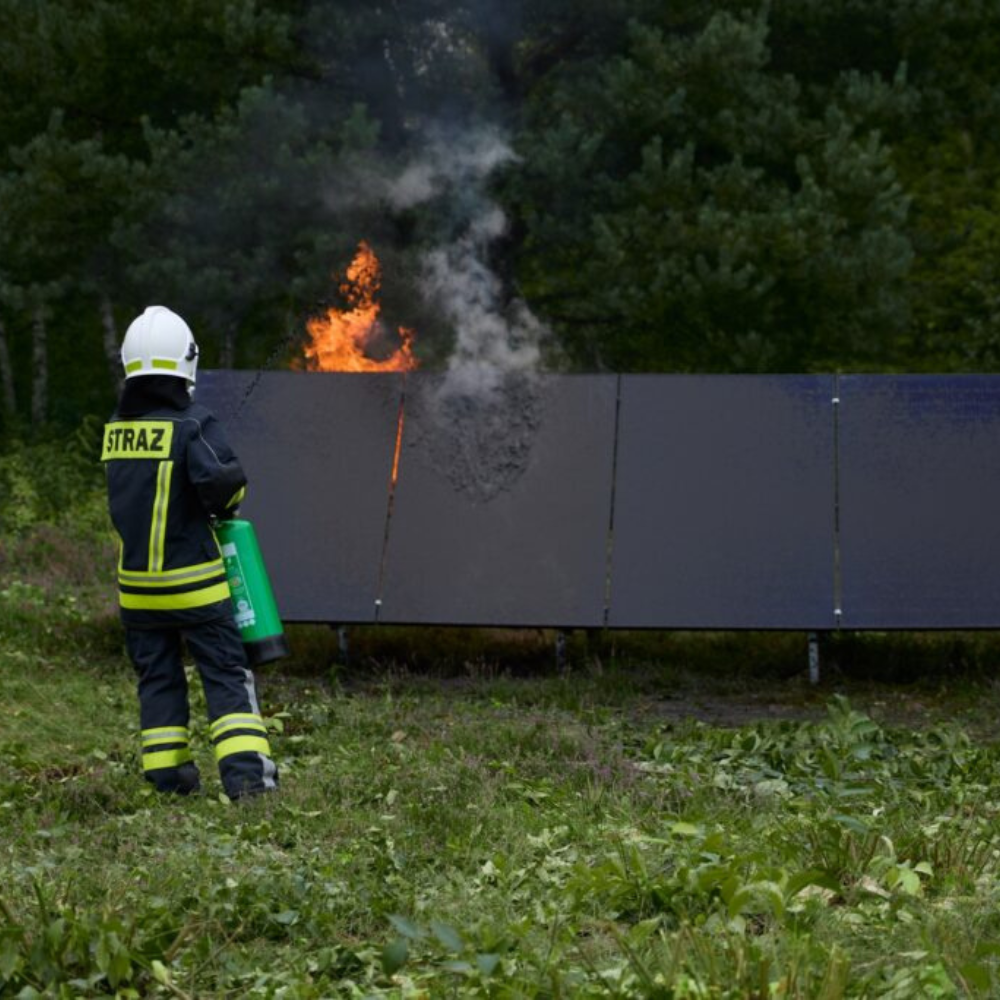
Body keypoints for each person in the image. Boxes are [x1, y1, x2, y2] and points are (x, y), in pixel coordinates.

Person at [101, 305, 278, 800]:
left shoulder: (116, 429)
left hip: (137, 594)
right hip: (195, 587)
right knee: (225, 676)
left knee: (158, 680)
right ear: (186, 362)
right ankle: (249, 785)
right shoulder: (192, 423)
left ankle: (169, 780)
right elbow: (225, 489)